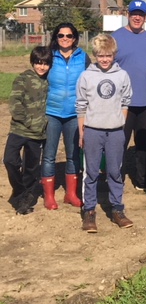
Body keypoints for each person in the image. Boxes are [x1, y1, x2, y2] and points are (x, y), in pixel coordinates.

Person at [76, 34, 133, 232]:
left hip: (115, 131)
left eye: (108, 55)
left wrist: (120, 124)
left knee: (115, 172)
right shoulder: (86, 76)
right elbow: (81, 106)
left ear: (114, 54)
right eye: (101, 56)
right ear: (95, 55)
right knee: (91, 172)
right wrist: (82, 132)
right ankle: (89, 211)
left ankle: (117, 209)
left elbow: (125, 102)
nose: (105, 60)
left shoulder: (122, 75)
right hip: (92, 130)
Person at [112, 0, 146, 191]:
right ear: (128, 14)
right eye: (134, 13)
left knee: (144, 144)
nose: (137, 17)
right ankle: (115, 179)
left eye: (140, 15)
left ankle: (144, 180)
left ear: (145, 17)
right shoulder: (116, 37)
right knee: (119, 143)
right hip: (121, 103)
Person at [41, 23, 90, 210]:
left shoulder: (83, 57)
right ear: (56, 37)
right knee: (49, 155)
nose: (64, 39)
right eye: (60, 35)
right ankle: (49, 196)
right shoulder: (49, 56)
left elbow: (91, 81)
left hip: (74, 114)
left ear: (75, 38)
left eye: (69, 36)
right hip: (52, 113)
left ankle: (71, 194)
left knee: (73, 155)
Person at [3, 46, 51, 215]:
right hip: (19, 129)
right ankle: (20, 189)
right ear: (33, 62)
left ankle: (26, 197)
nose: (42, 67)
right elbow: (15, 102)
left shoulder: (49, 82)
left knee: (31, 167)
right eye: (38, 63)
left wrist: (41, 125)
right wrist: (28, 121)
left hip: (38, 134)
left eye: (45, 64)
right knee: (10, 160)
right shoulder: (23, 79)